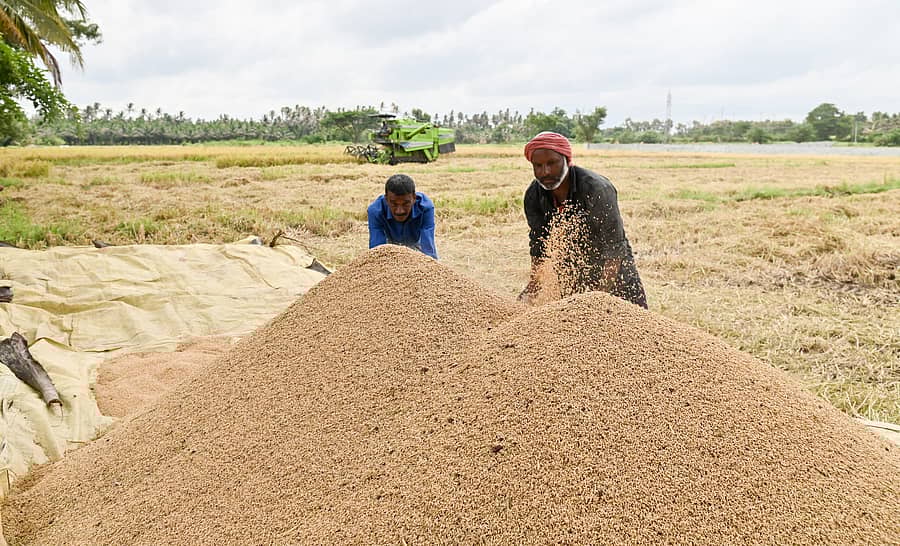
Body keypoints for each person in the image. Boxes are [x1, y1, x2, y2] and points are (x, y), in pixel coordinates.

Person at [519, 131, 647, 308]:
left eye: (552, 163)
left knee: (631, 321)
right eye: (538, 165)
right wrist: (534, 287)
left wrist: (598, 298)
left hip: (612, 267)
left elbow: (614, 247)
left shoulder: (596, 189)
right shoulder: (534, 195)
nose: (545, 172)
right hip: (571, 265)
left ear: (567, 160)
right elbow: (538, 245)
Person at [367, 173, 438, 259]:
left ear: (414, 198)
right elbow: (377, 249)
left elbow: (428, 247)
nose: (400, 211)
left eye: (406, 204)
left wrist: (430, 264)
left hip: (416, 243)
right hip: (389, 244)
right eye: (394, 204)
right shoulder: (375, 211)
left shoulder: (425, 207)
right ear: (386, 199)